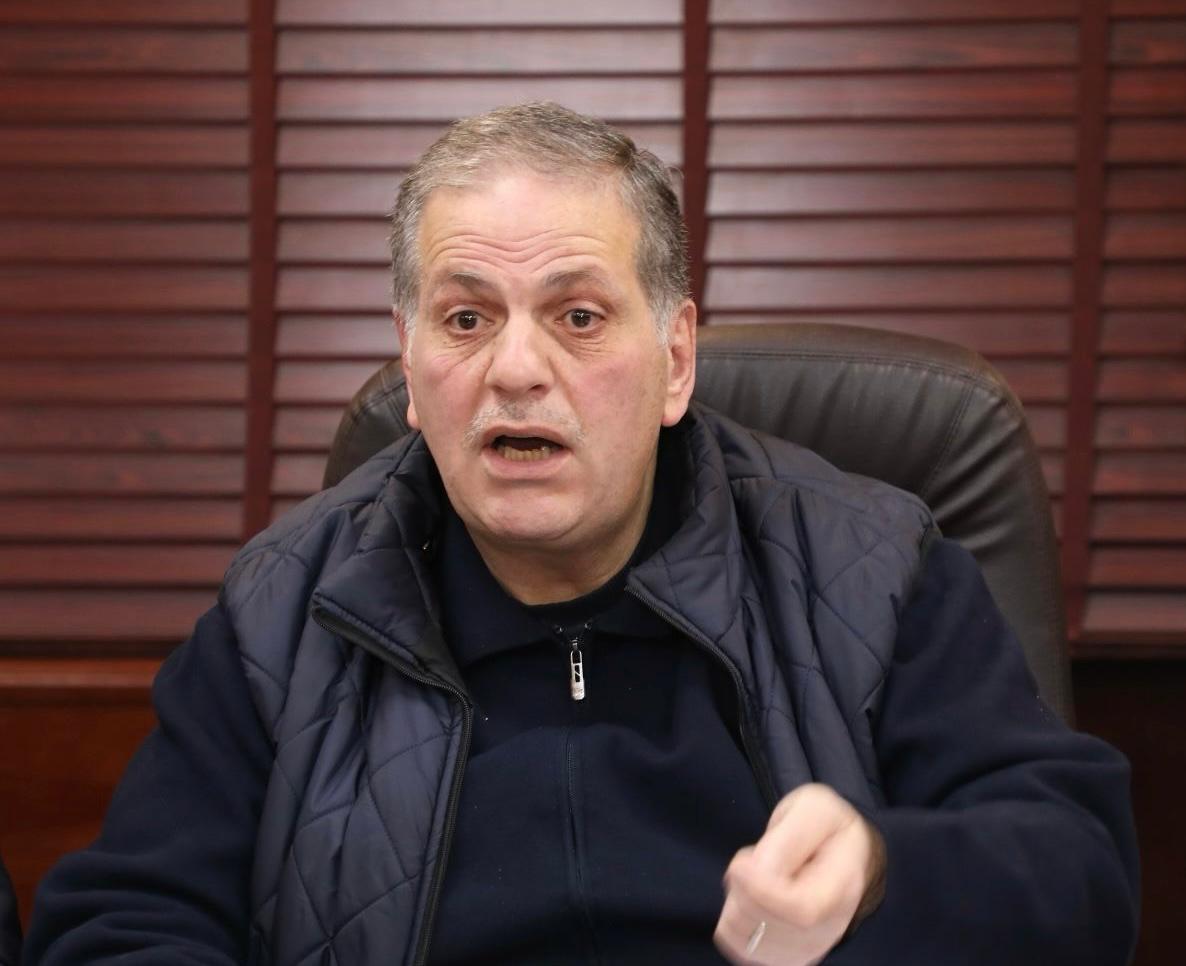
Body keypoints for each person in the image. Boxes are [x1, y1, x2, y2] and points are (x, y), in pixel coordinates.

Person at [24, 102, 1138, 965]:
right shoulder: (282, 612)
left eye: (578, 316)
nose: (516, 369)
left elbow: (1077, 870)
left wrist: (884, 871)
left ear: (675, 359)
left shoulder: (868, 568)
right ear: (410, 363)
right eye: (467, 318)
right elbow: (123, 924)